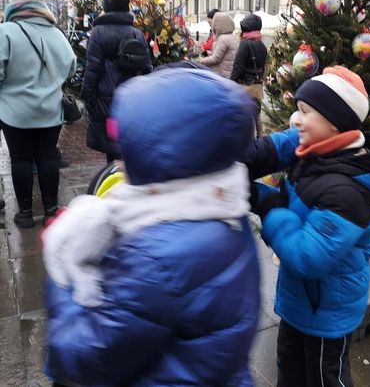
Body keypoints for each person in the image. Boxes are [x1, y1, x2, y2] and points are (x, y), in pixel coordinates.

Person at [42, 68, 260, 386]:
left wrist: (62, 270)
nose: (119, 160)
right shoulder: (221, 206)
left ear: (163, 156)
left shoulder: (157, 256)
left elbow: (87, 356)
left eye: (128, 149)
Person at [244, 66, 370, 387]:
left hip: (325, 310)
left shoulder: (347, 191)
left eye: (305, 112)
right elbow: (275, 147)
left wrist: (267, 202)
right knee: (289, 369)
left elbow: (308, 256)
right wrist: (235, 160)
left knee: (323, 377)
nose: (295, 119)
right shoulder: (319, 147)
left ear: (334, 122)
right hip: (300, 302)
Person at [0, 0, 76, 228]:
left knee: (20, 159)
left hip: (15, 112)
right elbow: (72, 66)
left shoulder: (7, 31)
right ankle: (51, 209)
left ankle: (24, 213)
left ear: (14, 3)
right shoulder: (56, 33)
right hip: (51, 111)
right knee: (47, 157)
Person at [81, 0, 151, 163]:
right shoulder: (137, 33)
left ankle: (114, 178)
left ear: (106, 8)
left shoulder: (98, 32)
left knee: (112, 145)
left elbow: (92, 67)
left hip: (108, 100)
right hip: (133, 97)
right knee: (128, 140)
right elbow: (148, 67)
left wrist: (87, 94)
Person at [231, 13, 267, 136]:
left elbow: (238, 66)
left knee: (246, 114)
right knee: (256, 112)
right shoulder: (262, 45)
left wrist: (231, 82)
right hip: (257, 83)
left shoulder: (245, 44)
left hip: (245, 84)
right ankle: (260, 137)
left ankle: (249, 140)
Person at [198, 12, 237, 78]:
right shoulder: (231, 37)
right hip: (228, 73)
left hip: (222, 74)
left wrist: (202, 60)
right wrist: (207, 53)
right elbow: (221, 54)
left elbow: (216, 58)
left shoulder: (223, 38)